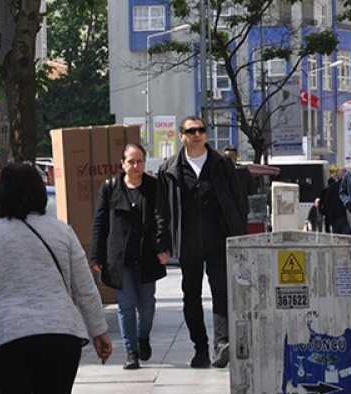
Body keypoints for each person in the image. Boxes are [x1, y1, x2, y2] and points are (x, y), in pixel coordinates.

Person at [0, 163, 112, 394]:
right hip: (60, 335)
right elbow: (85, 289)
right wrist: (99, 331)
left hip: (5, 338)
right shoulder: (62, 231)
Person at [156, 116, 248, 369]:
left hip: (219, 240)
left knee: (221, 292)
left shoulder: (222, 164)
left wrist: (239, 230)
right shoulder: (169, 169)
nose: (197, 134)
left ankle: (222, 344)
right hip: (188, 244)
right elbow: (162, 210)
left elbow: (239, 200)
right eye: (191, 131)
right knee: (191, 296)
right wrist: (162, 244)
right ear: (181, 135)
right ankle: (200, 348)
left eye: (201, 130)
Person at [91, 143, 168, 370]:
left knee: (146, 306)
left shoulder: (154, 187)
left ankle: (143, 337)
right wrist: (96, 256)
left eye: (140, 161)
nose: (136, 166)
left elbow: (162, 218)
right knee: (125, 306)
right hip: (119, 257)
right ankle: (131, 352)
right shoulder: (110, 188)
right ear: (122, 164)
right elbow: (100, 223)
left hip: (147, 256)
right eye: (131, 162)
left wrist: (163, 247)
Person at [316, 166, 351, 234]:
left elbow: (326, 204)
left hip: (335, 219)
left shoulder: (331, 188)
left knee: (337, 239)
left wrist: (325, 214)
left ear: (337, 176)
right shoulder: (350, 187)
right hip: (347, 218)